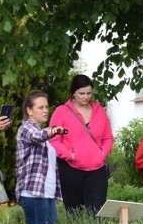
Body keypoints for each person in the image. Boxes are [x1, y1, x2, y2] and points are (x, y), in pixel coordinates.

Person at [48, 75, 114, 215]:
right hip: (70, 170)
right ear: (73, 93)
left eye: (89, 93)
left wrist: (102, 153)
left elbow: (108, 137)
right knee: (74, 214)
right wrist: (70, 155)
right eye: (81, 93)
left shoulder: (99, 111)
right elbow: (54, 140)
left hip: (97, 170)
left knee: (97, 213)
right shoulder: (61, 112)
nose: (86, 97)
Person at [16, 91, 67, 224]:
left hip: (47, 194)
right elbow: (36, 136)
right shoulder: (26, 128)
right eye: (40, 107)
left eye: (46, 107)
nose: (45, 110)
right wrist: (53, 130)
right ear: (29, 111)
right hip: (34, 194)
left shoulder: (43, 134)